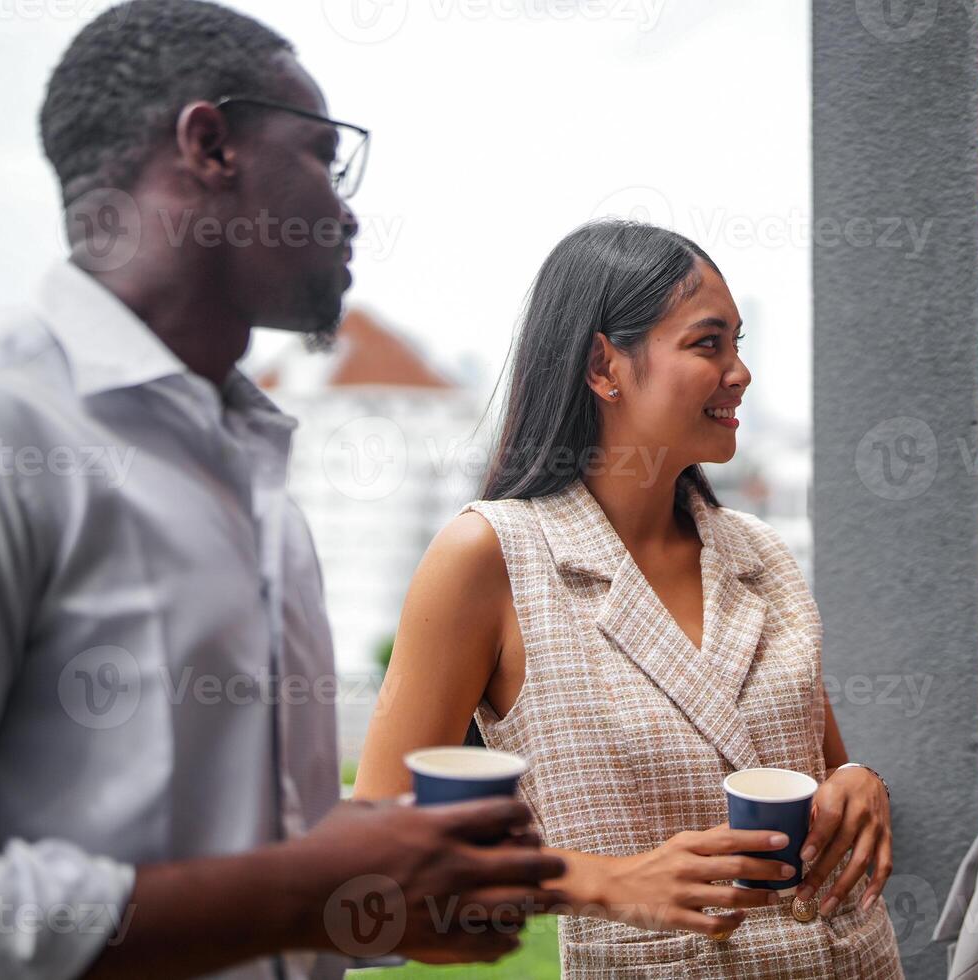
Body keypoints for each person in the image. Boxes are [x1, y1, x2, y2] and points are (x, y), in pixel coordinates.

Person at [0, 3, 565, 977]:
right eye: (324, 155)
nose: (348, 207)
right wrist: (303, 891)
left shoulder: (260, 484)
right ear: (209, 144)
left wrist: (392, 888)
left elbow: (282, 890)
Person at [354, 220, 905, 977]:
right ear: (602, 362)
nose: (741, 372)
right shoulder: (491, 557)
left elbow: (817, 770)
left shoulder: (762, 554)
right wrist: (607, 882)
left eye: (739, 344)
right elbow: (379, 853)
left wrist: (860, 784)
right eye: (709, 343)